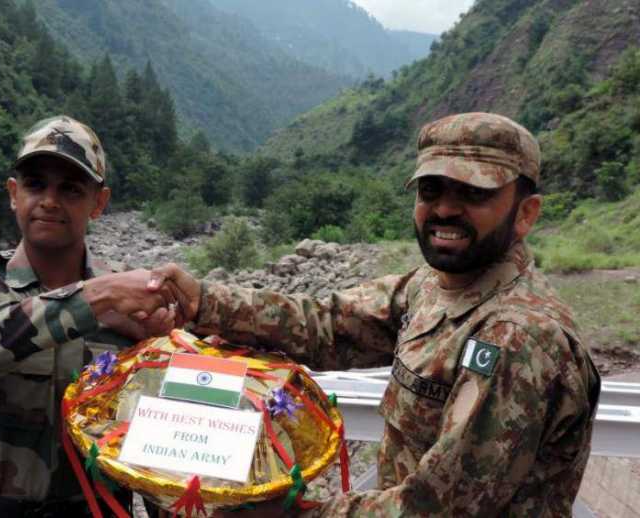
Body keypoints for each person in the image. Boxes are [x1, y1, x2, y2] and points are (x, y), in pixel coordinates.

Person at [150, 112, 601, 516]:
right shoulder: (432, 286)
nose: (444, 208)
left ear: (525, 214)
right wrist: (203, 302)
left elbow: (438, 509)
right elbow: (328, 325)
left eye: (473, 193)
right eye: (431, 190)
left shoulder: (515, 337)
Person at [0, 115, 176, 517]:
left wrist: (160, 342)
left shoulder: (134, 308)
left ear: (99, 203)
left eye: (71, 189)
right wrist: (95, 298)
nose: (49, 201)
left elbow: (160, 434)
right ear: (13, 193)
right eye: (35, 184)